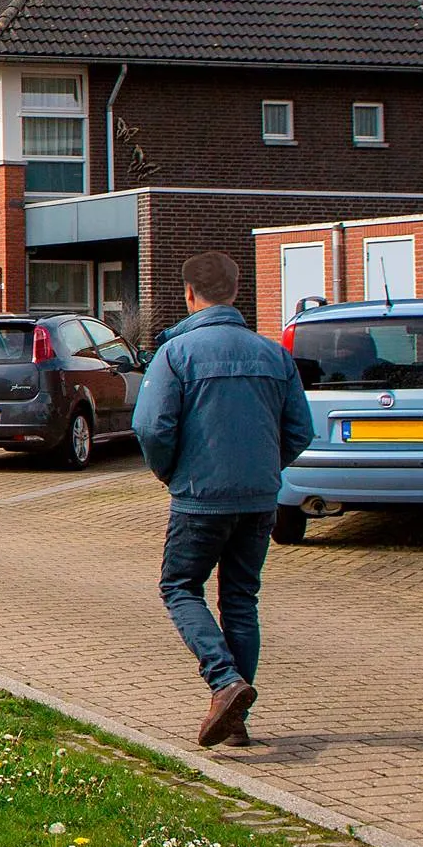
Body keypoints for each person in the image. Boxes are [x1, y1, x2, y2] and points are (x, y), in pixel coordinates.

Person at [133, 250, 315, 748]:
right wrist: (262, 468)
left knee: (179, 587)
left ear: (189, 294)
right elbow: (301, 429)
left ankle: (224, 681)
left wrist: (173, 472)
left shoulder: (176, 355)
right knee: (240, 599)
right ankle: (236, 721)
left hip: (199, 498)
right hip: (260, 500)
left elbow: (151, 427)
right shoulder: (274, 354)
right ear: (236, 292)